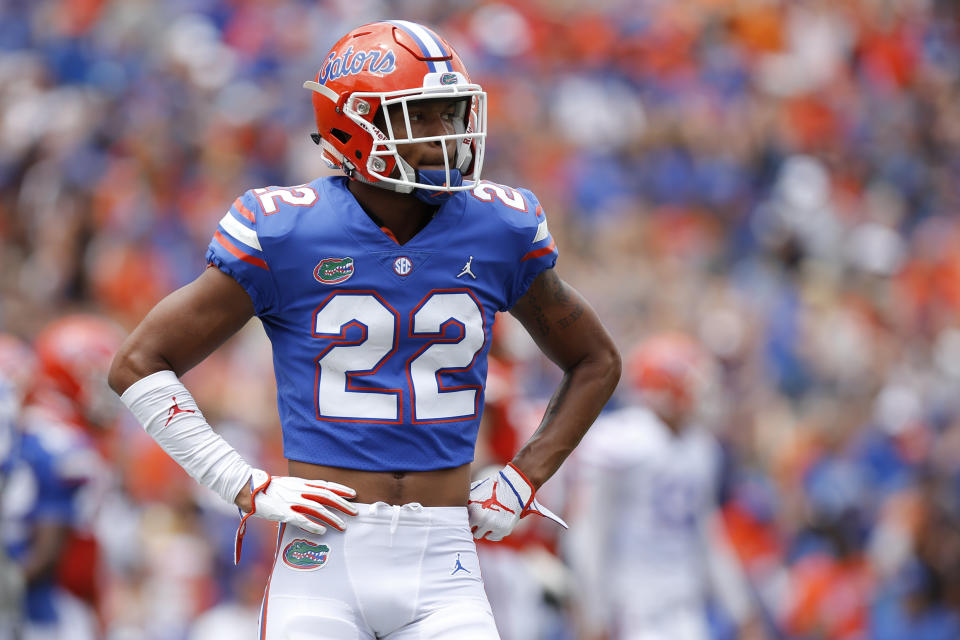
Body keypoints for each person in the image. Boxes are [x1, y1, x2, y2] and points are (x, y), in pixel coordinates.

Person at [108, 20, 620, 640]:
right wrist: (241, 484)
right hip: (323, 555)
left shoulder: (498, 227)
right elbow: (137, 362)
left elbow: (595, 361)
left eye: (452, 113)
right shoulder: (287, 231)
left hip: (445, 561)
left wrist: (523, 478)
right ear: (354, 126)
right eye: (423, 116)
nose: (449, 135)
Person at [566, 332, 761, 640]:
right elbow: (588, 532)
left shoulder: (702, 448)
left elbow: (707, 535)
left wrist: (741, 610)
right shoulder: (619, 442)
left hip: (685, 604)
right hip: (631, 606)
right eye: (693, 386)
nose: (702, 396)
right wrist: (594, 613)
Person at [1, 317, 125, 640]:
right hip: (50, 605)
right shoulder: (62, 443)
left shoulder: (45, 433)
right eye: (97, 379)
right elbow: (55, 553)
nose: (108, 394)